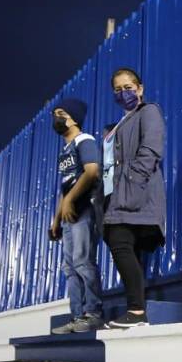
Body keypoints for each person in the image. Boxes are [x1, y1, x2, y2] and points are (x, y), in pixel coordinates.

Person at [101, 67, 166, 328]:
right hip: (116, 197)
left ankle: (137, 313)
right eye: (118, 89)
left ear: (140, 88)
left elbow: (151, 149)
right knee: (126, 246)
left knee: (120, 242)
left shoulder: (148, 112)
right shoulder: (115, 126)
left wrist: (132, 184)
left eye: (128, 87)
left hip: (136, 193)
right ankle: (135, 311)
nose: (123, 93)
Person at [48, 98, 105, 334]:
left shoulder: (85, 140)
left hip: (85, 210)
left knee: (83, 261)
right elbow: (65, 186)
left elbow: (92, 171)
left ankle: (93, 314)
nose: (56, 118)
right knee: (70, 267)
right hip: (70, 216)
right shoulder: (64, 151)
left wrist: (71, 200)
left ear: (74, 117)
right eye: (54, 114)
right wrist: (56, 219)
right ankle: (77, 316)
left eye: (61, 113)